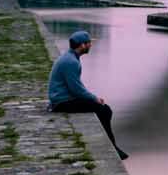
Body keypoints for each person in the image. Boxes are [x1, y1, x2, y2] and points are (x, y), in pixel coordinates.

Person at [48, 30, 128, 159]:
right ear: (82, 45)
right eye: (89, 43)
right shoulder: (71, 62)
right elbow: (76, 90)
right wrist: (94, 98)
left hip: (64, 99)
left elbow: (77, 86)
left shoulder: (70, 57)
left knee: (104, 110)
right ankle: (112, 147)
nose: (91, 45)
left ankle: (112, 146)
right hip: (62, 103)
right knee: (104, 110)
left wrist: (92, 98)